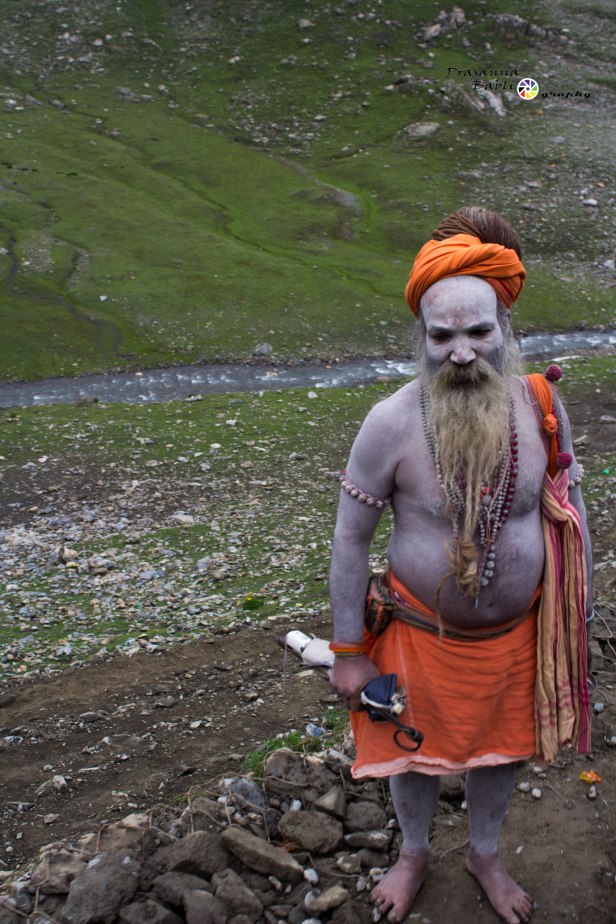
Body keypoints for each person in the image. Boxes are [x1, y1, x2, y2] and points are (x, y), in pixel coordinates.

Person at [328, 206, 593, 924]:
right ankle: (413, 853)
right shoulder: (389, 422)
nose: (463, 352)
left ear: (506, 328)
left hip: (517, 638)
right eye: (442, 335)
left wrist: (577, 614)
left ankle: (483, 854)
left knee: (500, 752)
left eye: (479, 332)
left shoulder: (542, 406)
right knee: (410, 757)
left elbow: (569, 515)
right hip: (417, 634)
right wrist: (350, 652)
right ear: (420, 337)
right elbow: (351, 539)